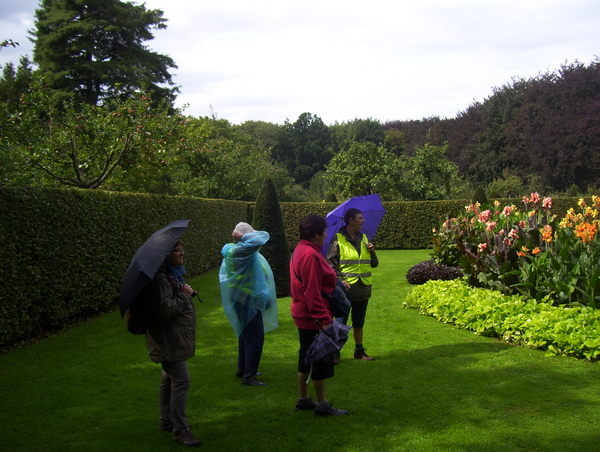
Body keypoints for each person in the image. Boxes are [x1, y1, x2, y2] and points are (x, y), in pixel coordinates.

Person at [144, 240, 201, 447]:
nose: (182, 254)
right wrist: (185, 296)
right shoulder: (160, 279)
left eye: (181, 250)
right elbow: (165, 310)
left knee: (168, 379)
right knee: (181, 381)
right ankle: (181, 431)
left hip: (171, 339)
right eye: (177, 251)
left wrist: (181, 290)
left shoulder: (169, 276)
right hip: (169, 340)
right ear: (167, 256)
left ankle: (166, 421)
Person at [290, 214, 349, 416]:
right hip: (313, 318)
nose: (326, 234)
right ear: (315, 233)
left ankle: (303, 400)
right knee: (320, 361)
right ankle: (322, 405)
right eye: (323, 231)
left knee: (305, 358)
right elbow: (312, 291)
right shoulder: (311, 255)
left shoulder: (302, 250)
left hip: (304, 315)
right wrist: (324, 320)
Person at [219, 222, 278, 387]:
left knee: (244, 333)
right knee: (255, 336)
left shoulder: (231, 249)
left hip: (237, 295)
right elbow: (262, 239)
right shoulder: (242, 250)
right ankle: (249, 375)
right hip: (246, 298)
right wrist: (243, 236)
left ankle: (243, 368)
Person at [327, 208, 379, 362]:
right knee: (341, 321)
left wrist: (372, 251)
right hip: (345, 289)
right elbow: (330, 264)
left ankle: (359, 351)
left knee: (359, 321)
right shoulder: (338, 238)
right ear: (351, 220)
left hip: (363, 287)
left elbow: (374, 264)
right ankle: (335, 352)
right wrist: (340, 279)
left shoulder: (364, 238)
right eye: (360, 218)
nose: (363, 221)